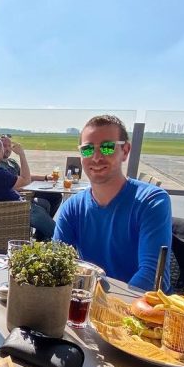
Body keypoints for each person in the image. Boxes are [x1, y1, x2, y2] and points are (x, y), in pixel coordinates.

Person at [53, 114, 171, 290]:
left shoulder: (151, 201)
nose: (96, 157)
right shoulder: (73, 207)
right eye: (87, 149)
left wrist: (106, 307)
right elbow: (56, 264)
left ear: (125, 151)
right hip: (91, 305)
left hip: (141, 308)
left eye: (107, 148)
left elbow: (152, 275)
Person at [0, 137, 55, 241]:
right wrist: (22, 155)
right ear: (0, 151)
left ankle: (43, 239)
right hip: (16, 210)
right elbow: (26, 180)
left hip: (11, 205)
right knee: (47, 219)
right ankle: (65, 240)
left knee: (44, 205)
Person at [0, 134, 57, 216]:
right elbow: (18, 183)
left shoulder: (11, 162)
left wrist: (46, 177)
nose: (8, 149)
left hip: (26, 191)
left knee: (55, 196)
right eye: (4, 146)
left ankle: (42, 227)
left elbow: (25, 176)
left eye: (9, 146)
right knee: (47, 202)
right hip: (20, 195)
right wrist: (22, 155)